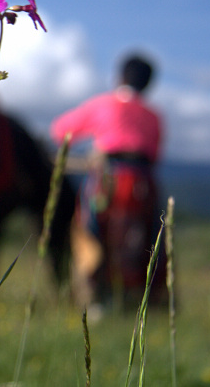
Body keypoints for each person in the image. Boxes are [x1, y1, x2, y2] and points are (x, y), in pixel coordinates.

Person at [50, 53, 164, 312]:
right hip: (143, 185)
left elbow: (59, 131)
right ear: (148, 84)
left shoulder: (102, 104)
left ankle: (94, 298)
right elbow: (156, 155)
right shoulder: (154, 115)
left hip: (107, 181)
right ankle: (143, 299)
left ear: (120, 76)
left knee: (90, 234)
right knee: (149, 239)